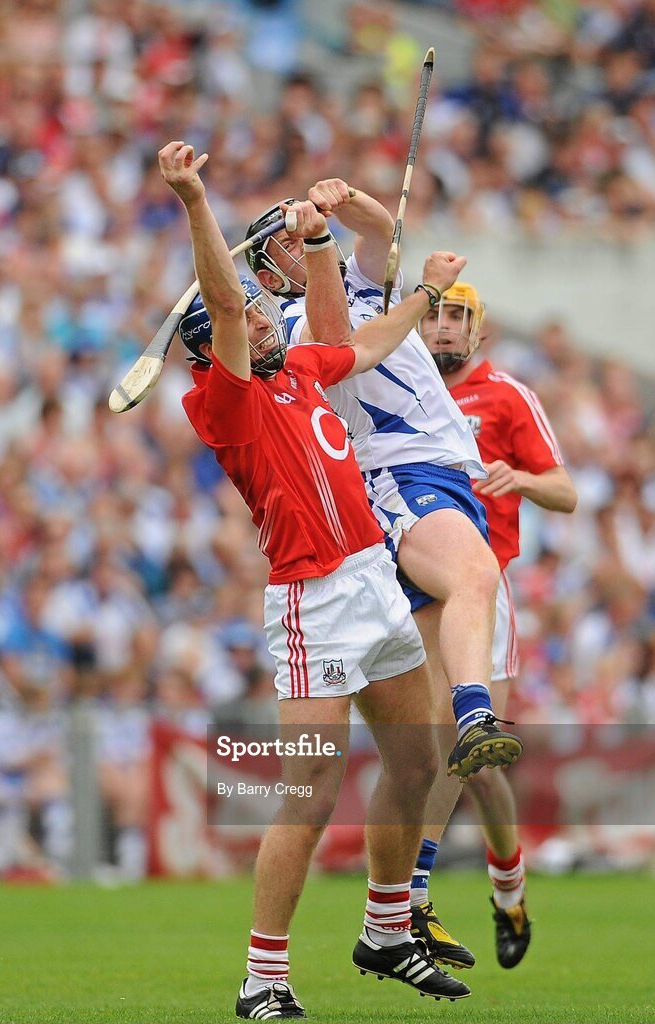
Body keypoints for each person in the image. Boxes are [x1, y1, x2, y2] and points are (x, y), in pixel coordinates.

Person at [157, 141, 471, 1020]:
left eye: (263, 313)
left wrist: (425, 291)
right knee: (309, 793)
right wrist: (192, 198)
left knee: (417, 764)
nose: (263, 320)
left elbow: (362, 344)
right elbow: (221, 294)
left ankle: (385, 930)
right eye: (250, 319)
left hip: (372, 576)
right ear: (211, 348)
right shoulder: (224, 401)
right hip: (314, 602)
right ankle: (262, 981)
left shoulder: (296, 368)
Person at [246, 183, 523, 783]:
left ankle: (411, 877)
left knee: (417, 761)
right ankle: (476, 711)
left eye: (302, 238)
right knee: (476, 574)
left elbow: (380, 231)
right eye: (284, 245)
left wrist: (340, 197)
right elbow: (338, 341)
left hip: (440, 472)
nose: (299, 245)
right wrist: (320, 237)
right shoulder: (286, 327)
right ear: (267, 278)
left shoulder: (363, 283)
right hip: (393, 471)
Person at [408, 282, 577, 971]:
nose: (444, 329)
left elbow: (565, 491)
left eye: (457, 318)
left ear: (479, 332)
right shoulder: (405, 386)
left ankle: (507, 886)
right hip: (419, 590)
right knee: (430, 744)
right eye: (435, 316)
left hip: (485, 586)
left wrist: (521, 479)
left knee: (478, 761)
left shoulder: (506, 395)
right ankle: (411, 897)